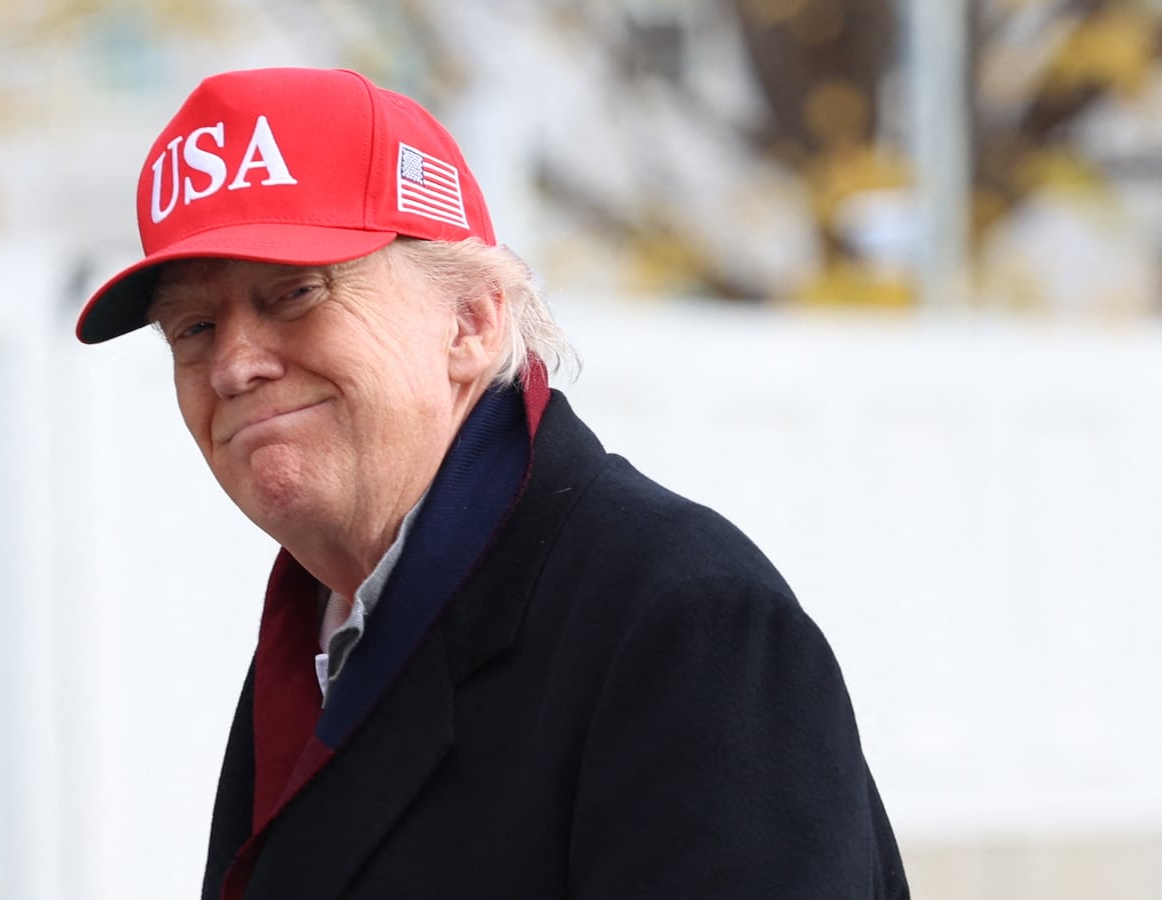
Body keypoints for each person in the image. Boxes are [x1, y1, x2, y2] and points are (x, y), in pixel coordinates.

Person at [75, 67, 908, 900]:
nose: (232, 366)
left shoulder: (686, 624)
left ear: (471, 321)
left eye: (294, 293)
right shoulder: (322, 638)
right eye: (194, 327)